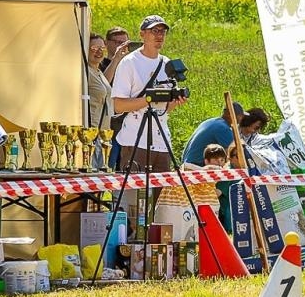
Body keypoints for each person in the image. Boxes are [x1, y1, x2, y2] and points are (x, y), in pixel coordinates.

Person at [110, 16, 188, 210]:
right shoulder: (129, 63)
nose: (159, 35)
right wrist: (148, 99)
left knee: (160, 204)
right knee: (135, 204)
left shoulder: (167, 63)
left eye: (162, 31)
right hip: (136, 139)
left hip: (162, 141)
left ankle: (159, 240)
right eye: (154, 31)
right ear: (142, 34)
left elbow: (164, 109)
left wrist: (175, 102)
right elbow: (118, 106)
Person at [183, 100, 269, 166]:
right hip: (196, 166)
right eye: (240, 115)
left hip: (187, 162)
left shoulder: (211, 121)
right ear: (230, 114)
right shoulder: (223, 128)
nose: (242, 118)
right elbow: (237, 153)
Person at [85, 34, 114, 131]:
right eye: (94, 48)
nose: (99, 51)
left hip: (105, 131)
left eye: (102, 48)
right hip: (92, 130)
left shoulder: (98, 71)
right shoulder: (85, 71)